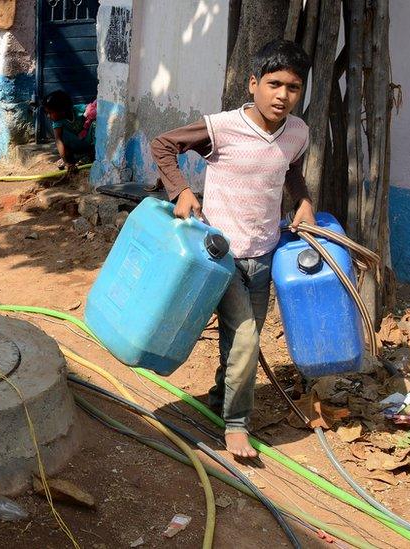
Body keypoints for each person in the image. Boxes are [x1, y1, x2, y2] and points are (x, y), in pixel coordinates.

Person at [150, 39, 316, 459]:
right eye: (274, 84)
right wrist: (182, 191)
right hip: (219, 255)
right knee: (245, 339)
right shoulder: (222, 128)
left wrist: (304, 200)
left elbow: (290, 169)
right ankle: (237, 423)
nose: (282, 96)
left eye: (293, 88)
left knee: (244, 337)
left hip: (264, 253)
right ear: (253, 83)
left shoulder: (297, 133)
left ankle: (221, 394)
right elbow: (163, 145)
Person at [42, 90, 96, 172]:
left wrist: (89, 112)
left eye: (50, 112)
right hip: (74, 147)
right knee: (61, 137)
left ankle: (93, 155)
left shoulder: (79, 110)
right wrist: (66, 162)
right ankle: (68, 160)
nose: (48, 116)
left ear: (61, 110)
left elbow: (92, 108)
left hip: (87, 142)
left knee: (95, 124)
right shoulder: (58, 123)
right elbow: (58, 140)